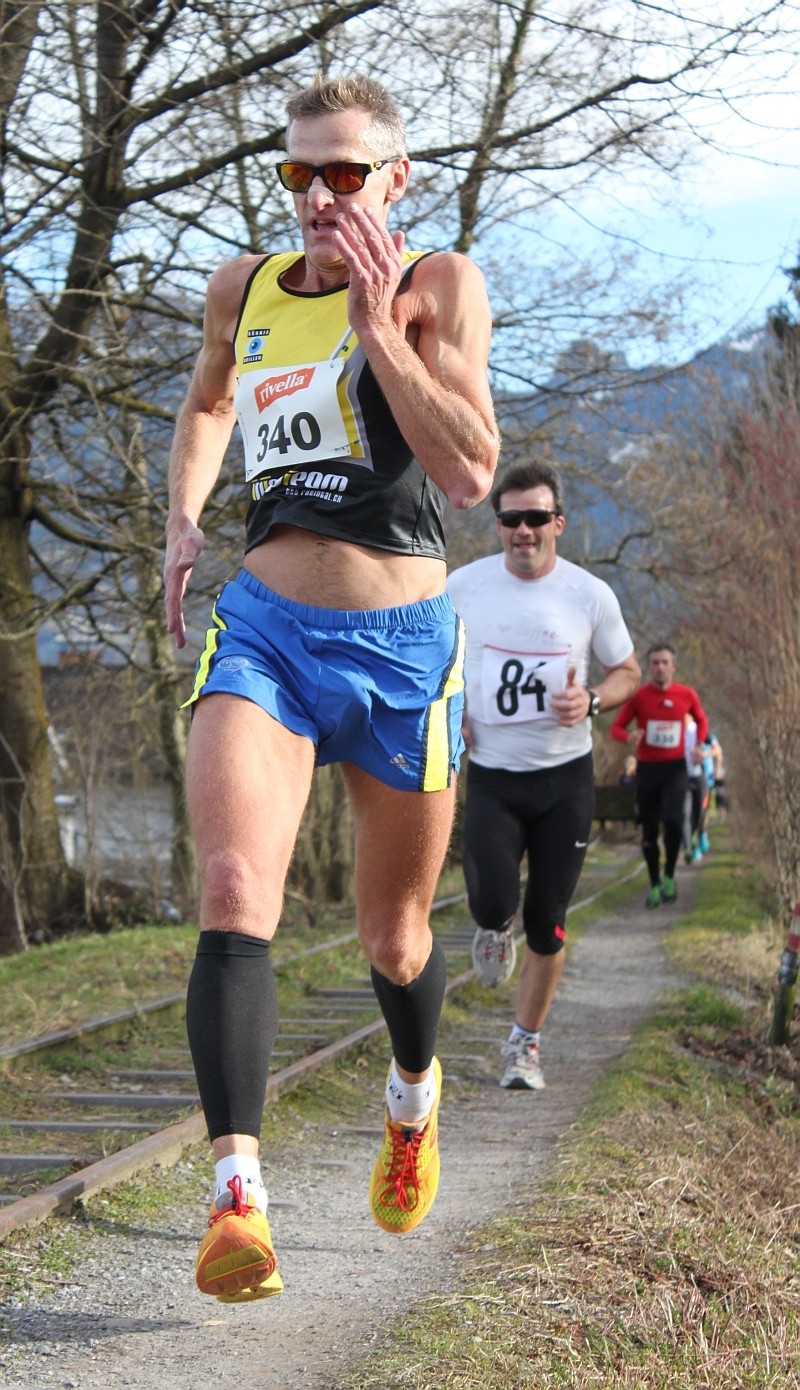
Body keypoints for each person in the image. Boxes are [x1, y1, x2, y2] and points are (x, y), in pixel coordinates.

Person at [162, 73, 499, 1301]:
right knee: (233, 882)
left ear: (393, 180)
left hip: (404, 647)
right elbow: (207, 402)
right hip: (263, 634)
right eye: (297, 171)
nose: (315, 194)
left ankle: (411, 1097)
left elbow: (469, 469)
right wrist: (184, 521)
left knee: (393, 936)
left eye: (343, 173)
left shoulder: (436, 287)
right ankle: (236, 1197)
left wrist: (373, 332)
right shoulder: (241, 290)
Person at [446, 461, 640, 1090]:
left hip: (565, 780)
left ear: (557, 522)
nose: (523, 530)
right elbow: (429, 662)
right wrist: (453, 716)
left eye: (535, 518)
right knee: (492, 901)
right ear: (497, 524)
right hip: (495, 778)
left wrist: (591, 702)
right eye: (510, 519)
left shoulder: (589, 594)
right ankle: (492, 926)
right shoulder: (462, 587)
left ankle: (523, 1045)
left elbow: (627, 671)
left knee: (549, 919)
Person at [610, 644, 709, 908]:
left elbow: (702, 720)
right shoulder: (639, 697)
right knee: (649, 831)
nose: (660, 667)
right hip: (648, 770)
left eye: (665, 662)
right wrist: (629, 736)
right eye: (654, 662)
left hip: (675, 767)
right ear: (648, 666)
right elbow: (616, 727)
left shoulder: (686, 695)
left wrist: (699, 745)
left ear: (673, 666)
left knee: (675, 820)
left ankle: (669, 876)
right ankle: (654, 883)